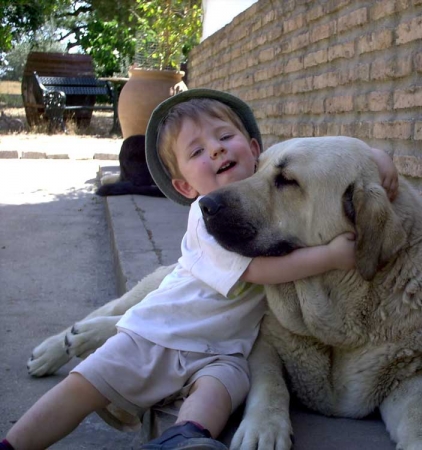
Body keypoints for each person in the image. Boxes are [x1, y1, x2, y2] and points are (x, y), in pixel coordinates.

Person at [2, 89, 398, 450]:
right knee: (83, 386)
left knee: (220, 391)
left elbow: (323, 156)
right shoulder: (209, 216)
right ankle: (17, 442)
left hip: (223, 352)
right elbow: (257, 272)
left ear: (256, 150)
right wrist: (331, 256)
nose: (215, 151)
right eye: (197, 152)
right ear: (186, 187)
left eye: (225, 138)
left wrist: (375, 159)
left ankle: (185, 437)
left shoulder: (272, 176)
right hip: (158, 334)